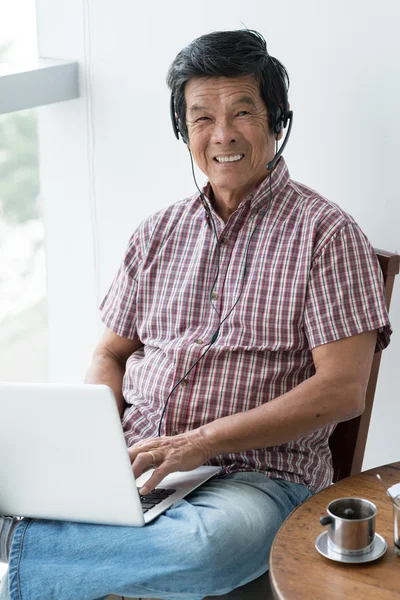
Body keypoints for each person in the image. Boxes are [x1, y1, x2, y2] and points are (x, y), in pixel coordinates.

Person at [0, 29, 392, 600]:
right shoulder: (157, 232)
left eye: (242, 112)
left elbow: (341, 391)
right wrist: (94, 438)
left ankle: (19, 553)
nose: (223, 134)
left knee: (206, 547)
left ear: (277, 120)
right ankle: (49, 550)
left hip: (257, 480)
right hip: (135, 465)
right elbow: (111, 352)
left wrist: (199, 442)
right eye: (201, 117)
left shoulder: (328, 236)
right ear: (183, 131)